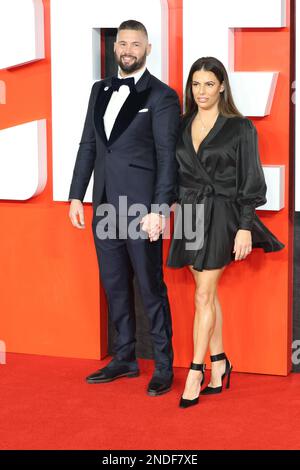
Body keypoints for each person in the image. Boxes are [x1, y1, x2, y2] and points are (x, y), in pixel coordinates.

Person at [68, 20, 180, 396]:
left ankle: (163, 366)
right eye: (122, 43)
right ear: (114, 49)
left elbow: (167, 157)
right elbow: (89, 145)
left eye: (136, 43)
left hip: (142, 211)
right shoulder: (98, 89)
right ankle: (125, 358)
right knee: (114, 285)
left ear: (148, 49)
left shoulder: (161, 96)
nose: (128, 49)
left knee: (151, 287)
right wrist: (75, 195)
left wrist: (159, 209)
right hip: (103, 206)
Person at [167, 57, 284, 408]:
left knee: (203, 296)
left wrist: (245, 227)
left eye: (208, 84)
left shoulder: (240, 128)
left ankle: (195, 371)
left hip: (222, 214)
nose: (201, 91)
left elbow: (252, 181)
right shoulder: (182, 124)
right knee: (208, 294)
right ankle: (221, 364)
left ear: (221, 86)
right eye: (195, 84)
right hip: (188, 212)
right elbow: (175, 173)